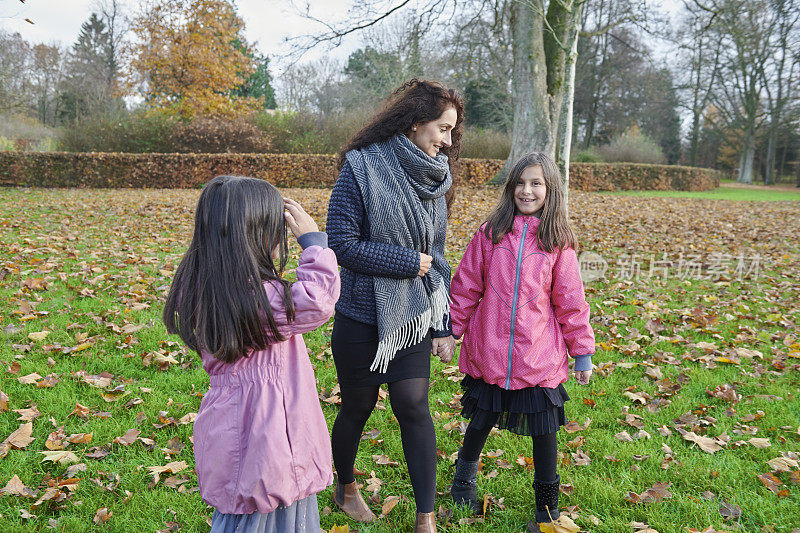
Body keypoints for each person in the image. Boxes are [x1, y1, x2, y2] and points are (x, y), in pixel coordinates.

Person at [163, 176, 340, 532]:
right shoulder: (259, 299)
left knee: (247, 507)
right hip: (267, 432)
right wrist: (313, 242)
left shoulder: (208, 286)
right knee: (266, 509)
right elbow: (319, 299)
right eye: (275, 227)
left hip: (242, 423)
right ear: (254, 233)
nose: (281, 236)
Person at [325, 79, 463, 533]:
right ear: (416, 121)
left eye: (451, 132)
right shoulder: (361, 168)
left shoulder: (436, 179)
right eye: (443, 129)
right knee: (358, 406)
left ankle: (426, 518)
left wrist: (441, 323)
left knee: (413, 404)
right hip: (360, 312)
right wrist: (406, 262)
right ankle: (345, 488)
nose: (446, 141)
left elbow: (437, 260)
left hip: (411, 314)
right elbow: (341, 244)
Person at [447, 152, 595, 531]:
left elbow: (571, 301)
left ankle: (546, 508)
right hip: (490, 350)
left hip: (537, 355)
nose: (527, 191)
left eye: (536, 184)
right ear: (510, 186)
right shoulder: (491, 233)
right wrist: (453, 329)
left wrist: (582, 353)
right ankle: (463, 481)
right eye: (521, 183)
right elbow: (467, 285)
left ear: (550, 190)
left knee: (544, 430)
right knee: (480, 419)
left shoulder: (558, 243)